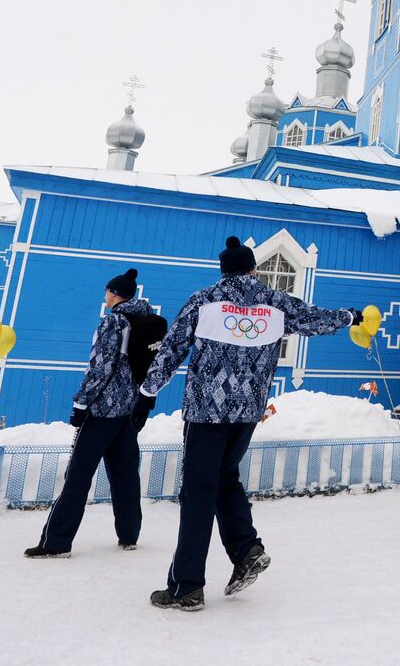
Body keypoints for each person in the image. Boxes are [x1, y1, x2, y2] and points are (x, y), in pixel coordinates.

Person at [134, 236, 356, 611]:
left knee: (199, 493)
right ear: (253, 269)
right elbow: (315, 320)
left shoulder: (204, 301)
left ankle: (186, 586)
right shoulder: (276, 303)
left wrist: (146, 393)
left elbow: (171, 350)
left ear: (223, 271)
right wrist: (349, 316)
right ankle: (246, 548)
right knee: (225, 478)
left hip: (206, 412)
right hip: (247, 413)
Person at [25, 268, 152, 558]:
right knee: (125, 474)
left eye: (107, 292)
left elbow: (100, 369)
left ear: (115, 294)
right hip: (128, 410)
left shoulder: (114, 323)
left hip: (103, 410)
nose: (105, 296)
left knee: (79, 474)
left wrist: (81, 404)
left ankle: (56, 542)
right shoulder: (143, 321)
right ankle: (129, 534)